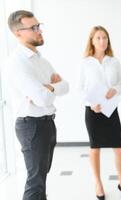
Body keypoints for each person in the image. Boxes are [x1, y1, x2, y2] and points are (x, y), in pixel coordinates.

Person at [6, 10, 69, 200]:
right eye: (33, 28)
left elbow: (65, 86)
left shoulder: (41, 60)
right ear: (18, 33)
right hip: (31, 125)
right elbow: (43, 99)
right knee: (35, 181)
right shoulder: (17, 63)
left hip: (47, 123)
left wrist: (49, 87)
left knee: (41, 178)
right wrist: (51, 88)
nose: (39, 30)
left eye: (39, 25)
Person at [78, 26, 121, 200]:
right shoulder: (85, 62)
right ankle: (98, 183)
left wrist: (114, 90)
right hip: (93, 111)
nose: (102, 41)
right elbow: (81, 88)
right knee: (95, 148)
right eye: (98, 38)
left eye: (105, 38)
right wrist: (91, 103)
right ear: (92, 41)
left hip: (111, 110)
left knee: (119, 148)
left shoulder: (114, 61)